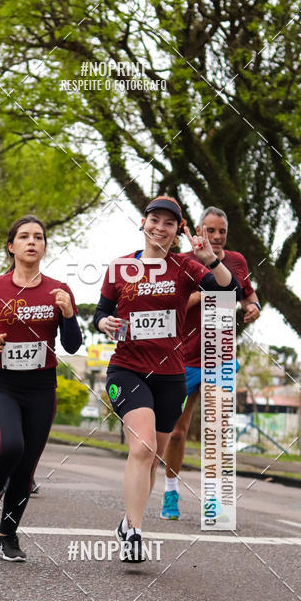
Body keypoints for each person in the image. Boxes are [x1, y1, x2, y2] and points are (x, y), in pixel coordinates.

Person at [93, 196, 242, 562]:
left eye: (169, 223)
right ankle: (134, 529)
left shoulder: (185, 267)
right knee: (142, 447)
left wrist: (211, 259)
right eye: (154, 220)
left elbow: (228, 292)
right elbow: (100, 313)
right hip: (127, 369)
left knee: (154, 455)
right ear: (143, 223)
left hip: (171, 375)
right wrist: (103, 323)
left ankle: (131, 522)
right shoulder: (120, 268)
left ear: (177, 232)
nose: (160, 227)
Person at [0, 214, 82, 562]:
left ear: (44, 247)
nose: (33, 242)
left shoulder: (59, 290)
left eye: (39, 237)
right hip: (3, 384)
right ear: (12, 246)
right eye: (25, 237)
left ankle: (7, 536)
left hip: (42, 387)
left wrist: (69, 314)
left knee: (27, 465)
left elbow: (73, 346)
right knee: (8, 445)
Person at [161, 207, 260, 519]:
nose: (216, 237)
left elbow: (245, 291)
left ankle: (214, 501)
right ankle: (170, 492)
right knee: (177, 432)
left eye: (222, 232)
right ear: (200, 231)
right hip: (185, 357)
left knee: (217, 432)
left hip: (221, 357)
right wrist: (208, 293)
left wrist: (252, 305)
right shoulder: (184, 262)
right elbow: (174, 302)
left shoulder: (237, 261)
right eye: (211, 231)